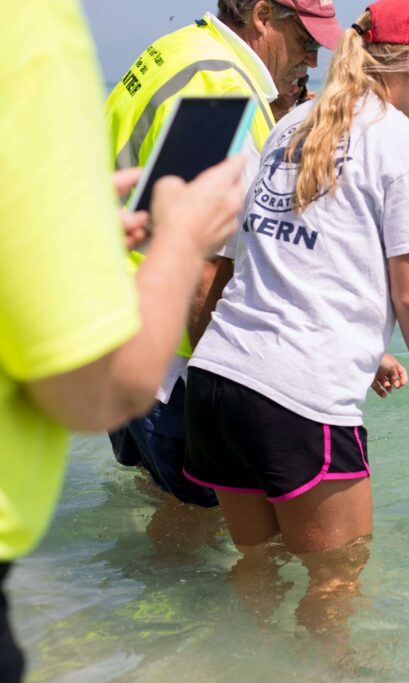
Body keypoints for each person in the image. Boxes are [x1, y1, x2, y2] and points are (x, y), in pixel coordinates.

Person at [183, 0, 409, 597]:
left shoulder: (290, 124)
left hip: (216, 383)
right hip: (298, 400)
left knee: (257, 567)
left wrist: (366, 349)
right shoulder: (403, 144)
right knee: (336, 581)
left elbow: (259, 258)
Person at [0, 3, 247, 681]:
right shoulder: (30, 29)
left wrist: (75, 220)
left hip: (117, 295)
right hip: (157, 354)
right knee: (194, 515)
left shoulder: (166, 50)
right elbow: (96, 395)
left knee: (165, 507)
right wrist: (181, 241)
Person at [104, 0, 347, 507]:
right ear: (262, 16)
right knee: (203, 531)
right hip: (168, 367)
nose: (314, 59)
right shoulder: (217, 86)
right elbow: (196, 262)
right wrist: (221, 405)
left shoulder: (181, 50)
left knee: (169, 516)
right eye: (306, 40)